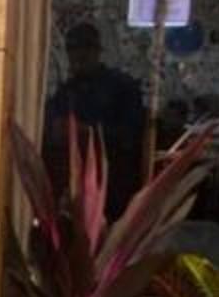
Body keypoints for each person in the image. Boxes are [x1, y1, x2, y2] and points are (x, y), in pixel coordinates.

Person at [45, 20, 147, 209]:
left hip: (114, 185)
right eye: (73, 48)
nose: (79, 54)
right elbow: (50, 132)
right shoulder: (66, 91)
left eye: (86, 47)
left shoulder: (122, 87)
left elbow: (131, 137)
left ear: (97, 51)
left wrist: (88, 132)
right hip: (73, 183)